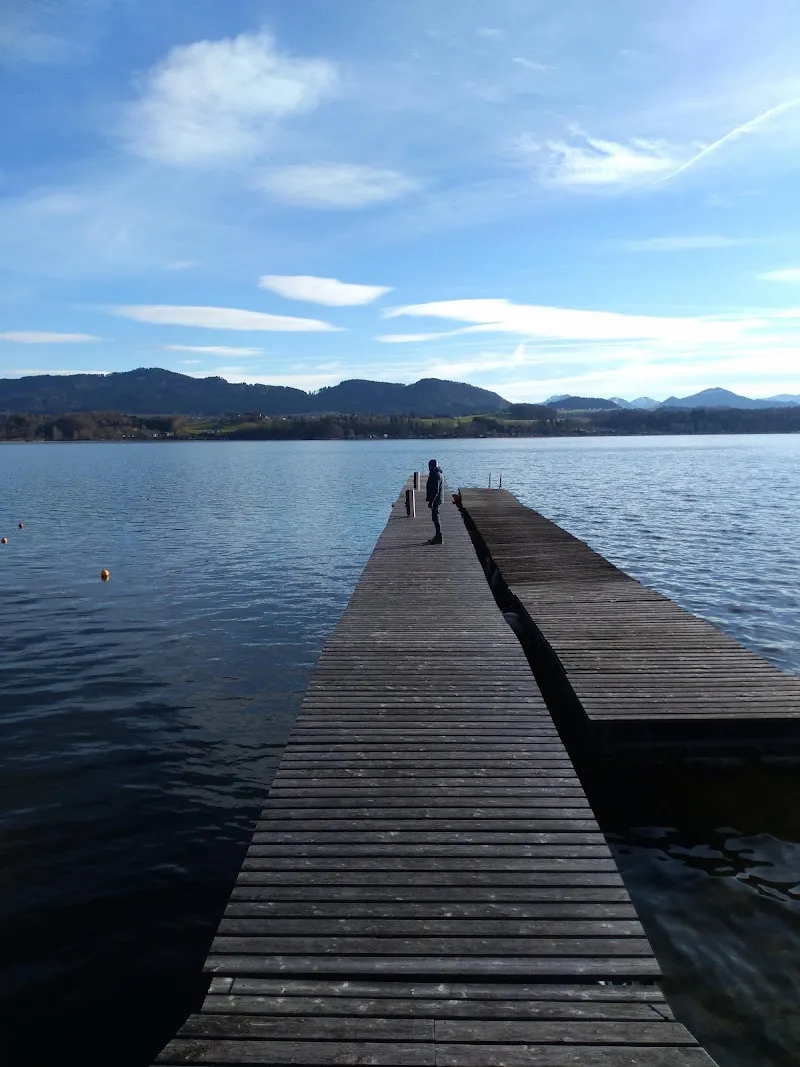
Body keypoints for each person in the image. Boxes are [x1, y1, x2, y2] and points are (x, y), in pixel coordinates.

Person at [426, 458, 444, 544]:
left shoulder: (436, 475)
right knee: (435, 518)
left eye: (429, 466)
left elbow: (436, 490)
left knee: (435, 518)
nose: (428, 467)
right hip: (438, 500)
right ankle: (438, 536)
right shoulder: (438, 473)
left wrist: (431, 502)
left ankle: (439, 536)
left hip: (436, 501)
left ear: (432, 466)